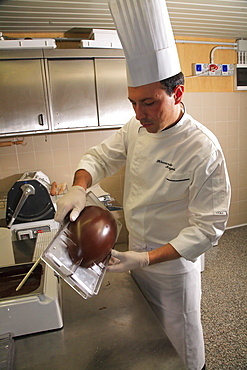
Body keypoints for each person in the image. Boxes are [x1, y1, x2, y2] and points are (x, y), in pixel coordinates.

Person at [55, 1, 231, 369]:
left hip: (172, 270)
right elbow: (99, 158)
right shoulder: (136, 128)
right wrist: (78, 186)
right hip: (133, 256)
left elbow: (208, 228)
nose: (139, 113)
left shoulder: (203, 148)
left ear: (178, 93)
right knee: (148, 342)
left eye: (149, 102)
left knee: (180, 344)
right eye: (134, 102)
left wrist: (149, 258)